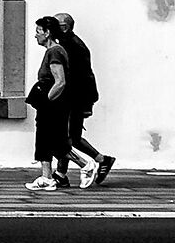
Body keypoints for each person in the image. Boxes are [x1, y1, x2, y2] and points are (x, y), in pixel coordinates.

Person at [53, 12, 116, 189]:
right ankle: (99, 161)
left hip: (75, 98)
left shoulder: (73, 46)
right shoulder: (68, 43)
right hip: (76, 97)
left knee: (66, 137)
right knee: (70, 136)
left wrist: (86, 102)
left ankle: (63, 174)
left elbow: (82, 76)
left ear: (64, 27)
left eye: (55, 25)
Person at [24, 15, 73, 190]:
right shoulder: (52, 51)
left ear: (48, 32)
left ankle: (87, 165)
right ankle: (46, 177)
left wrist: (47, 101)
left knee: (54, 141)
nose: (35, 35)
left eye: (38, 31)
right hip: (50, 105)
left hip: (53, 105)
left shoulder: (55, 51)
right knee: (45, 140)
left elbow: (60, 81)